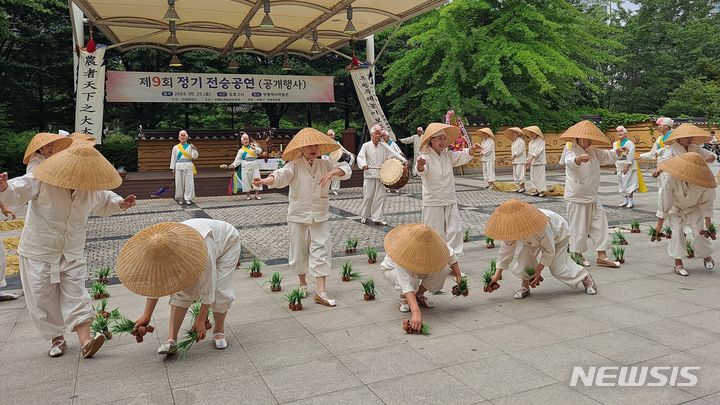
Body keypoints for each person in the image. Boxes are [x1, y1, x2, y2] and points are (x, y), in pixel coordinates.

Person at [0, 144, 136, 358]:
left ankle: (86, 341)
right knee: (42, 295)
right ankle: (57, 337)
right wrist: (4, 188)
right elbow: (18, 190)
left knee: (76, 293)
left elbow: (105, 200)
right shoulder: (43, 177)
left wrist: (121, 203)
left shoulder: (89, 186)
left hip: (71, 249)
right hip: (39, 249)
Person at [254, 128, 351, 307]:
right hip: (298, 214)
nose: (313, 149)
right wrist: (264, 181)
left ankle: (321, 291)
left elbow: (346, 168)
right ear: (302, 148)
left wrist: (332, 173)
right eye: (309, 146)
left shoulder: (326, 163)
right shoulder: (294, 164)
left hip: (320, 214)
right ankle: (302, 282)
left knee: (321, 249)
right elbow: (281, 176)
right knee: (299, 251)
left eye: (316, 145)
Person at [117, 219, 241, 353]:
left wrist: (200, 318)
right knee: (183, 291)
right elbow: (158, 282)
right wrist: (147, 315)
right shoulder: (160, 249)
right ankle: (171, 340)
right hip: (192, 240)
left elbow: (209, 284)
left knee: (220, 290)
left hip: (226, 241)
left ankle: (219, 330)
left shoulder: (202, 247)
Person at [485, 199, 597, 299]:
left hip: (558, 235)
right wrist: (497, 274)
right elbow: (506, 250)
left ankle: (585, 277)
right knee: (524, 258)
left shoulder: (540, 224)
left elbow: (549, 250)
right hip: (531, 241)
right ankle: (525, 286)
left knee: (557, 268)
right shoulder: (511, 226)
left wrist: (539, 269)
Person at [560, 120, 622, 268]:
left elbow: (606, 156)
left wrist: (617, 152)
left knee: (600, 223)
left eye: (590, 139)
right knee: (578, 226)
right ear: (579, 138)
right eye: (586, 139)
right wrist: (578, 159)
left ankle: (602, 256)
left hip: (592, 195)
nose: (588, 141)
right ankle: (577, 254)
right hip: (577, 195)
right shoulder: (570, 148)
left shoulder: (593, 150)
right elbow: (567, 161)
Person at [416, 123, 480, 258]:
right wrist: (420, 165)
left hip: (449, 198)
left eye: (444, 138)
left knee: (455, 230)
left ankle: (453, 261)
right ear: (431, 140)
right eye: (439, 138)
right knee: (434, 232)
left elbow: (461, 156)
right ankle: (434, 261)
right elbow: (421, 171)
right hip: (433, 200)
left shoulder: (447, 155)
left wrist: (471, 150)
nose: (442, 141)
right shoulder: (424, 156)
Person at [379, 224, 463, 322]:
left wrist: (459, 278)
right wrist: (416, 312)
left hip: (420, 266)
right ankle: (405, 297)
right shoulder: (403, 253)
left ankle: (418, 294)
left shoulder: (434, 242)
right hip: (391, 270)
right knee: (411, 279)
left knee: (443, 269)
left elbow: (450, 256)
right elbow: (406, 282)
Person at [655, 153, 716, 276]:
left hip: (694, 209)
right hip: (675, 208)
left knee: (699, 233)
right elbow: (665, 201)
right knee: (677, 232)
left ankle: (706, 255)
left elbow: (707, 203)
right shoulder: (672, 178)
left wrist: (709, 224)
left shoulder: (705, 180)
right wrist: (659, 225)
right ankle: (678, 263)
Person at [356, 124, 395, 225]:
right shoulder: (366, 146)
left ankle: (378, 217)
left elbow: (391, 155)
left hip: (381, 175)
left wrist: (393, 162)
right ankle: (365, 215)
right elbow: (360, 157)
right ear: (371, 134)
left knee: (380, 197)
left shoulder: (384, 146)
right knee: (368, 196)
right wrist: (363, 165)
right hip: (369, 174)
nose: (378, 136)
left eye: (379, 134)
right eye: (376, 133)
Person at [228, 132, 263, 200]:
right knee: (246, 180)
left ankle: (257, 195)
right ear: (241, 141)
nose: (246, 141)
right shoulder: (240, 151)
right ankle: (248, 195)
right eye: (244, 139)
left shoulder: (253, 146)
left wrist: (254, 148)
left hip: (254, 164)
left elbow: (260, 151)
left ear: (249, 140)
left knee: (257, 179)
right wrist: (233, 165)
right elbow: (237, 160)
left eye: (247, 139)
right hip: (245, 165)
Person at [170, 129, 198, 205]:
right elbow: (173, 158)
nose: (182, 137)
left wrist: (195, 149)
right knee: (179, 183)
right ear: (179, 138)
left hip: (188, 166)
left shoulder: (190, 147)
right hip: (178, 166)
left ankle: (188, 198)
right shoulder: (175, 147)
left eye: (184, 135)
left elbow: (195, 157)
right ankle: (180, 198)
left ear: (187, 137)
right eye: (181, 136)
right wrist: (173, 168)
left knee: (189, 183)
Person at [614, 126, 639, 208]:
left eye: (621, 131)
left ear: (625, 133)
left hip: (628, 166)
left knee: (628, 183)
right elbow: (615, 155)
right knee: (621, 184)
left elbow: (630, 155)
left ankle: (631, 201)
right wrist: (616, 167)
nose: (619, 133)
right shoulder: (615, 144)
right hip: (619, 165)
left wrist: (627, 166)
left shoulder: (629, 143)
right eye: (618, 132)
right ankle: (625, 200)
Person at [324, 129, 353, 195]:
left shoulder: (337, 143)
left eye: (331, 135)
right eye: (329, 135)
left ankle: (334, 189)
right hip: (326, 159)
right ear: (326, 135)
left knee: (336, 174)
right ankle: (325, 189)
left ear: (334, 136)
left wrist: (349, 153)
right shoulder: (324, 143)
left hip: (335, 160)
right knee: (326, 174)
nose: (330, 136)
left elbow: (343, 149)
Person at [523, 126, 547, 197]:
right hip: (533, 162)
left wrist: (532, 158)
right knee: (533, 177)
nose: (532, 134)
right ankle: (536, 189)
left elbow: (538, 151)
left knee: (540, 176)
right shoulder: (531, 142)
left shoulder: (541, 141)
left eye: (533, 133)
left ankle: (541, 190)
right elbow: (529, 153)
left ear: (537, 133)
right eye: (531, 133)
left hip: (539, 162)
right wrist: (527, 161)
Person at [506, 127, 527, 193]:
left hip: (520, 160)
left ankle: (522, 187)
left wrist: (514, 155)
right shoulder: (514, 142)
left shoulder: (521, 141)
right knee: (515, 174)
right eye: (512, 133)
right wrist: (512, 156)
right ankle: (519, 187)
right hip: (515, 160)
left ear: (518, 134)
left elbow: (520, 151)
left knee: (520, 173)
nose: (513, 134)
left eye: (514, 133)